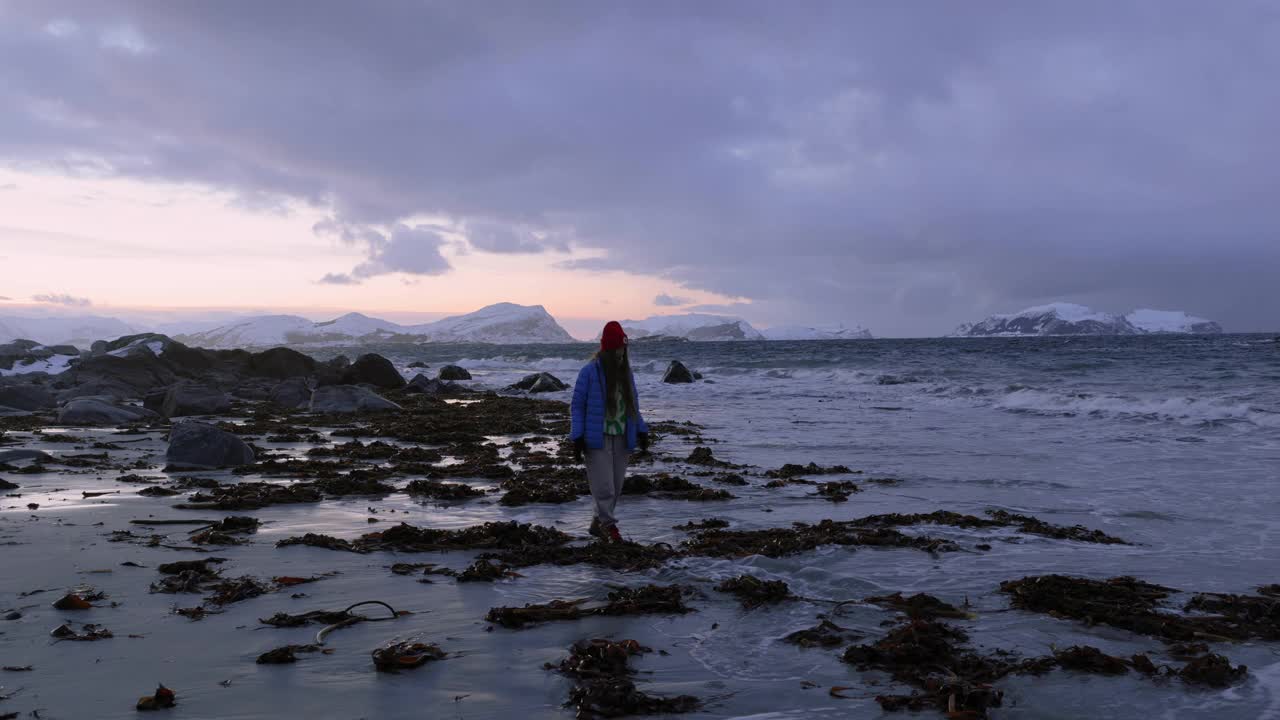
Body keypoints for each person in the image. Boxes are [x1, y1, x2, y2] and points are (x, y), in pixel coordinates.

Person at [570, 320, 649, 543]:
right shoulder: (589, 372)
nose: (622, 353)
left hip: (623, 435)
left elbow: (633, 405)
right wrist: (577, 437)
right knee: (604, 486)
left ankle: (598, 522)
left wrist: (642, 431)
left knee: (615, 485)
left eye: (624, 349)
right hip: (596, 437)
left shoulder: (627, 374)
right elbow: (577, 405)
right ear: (608, 349)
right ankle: (609, 527)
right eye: (618, 349)